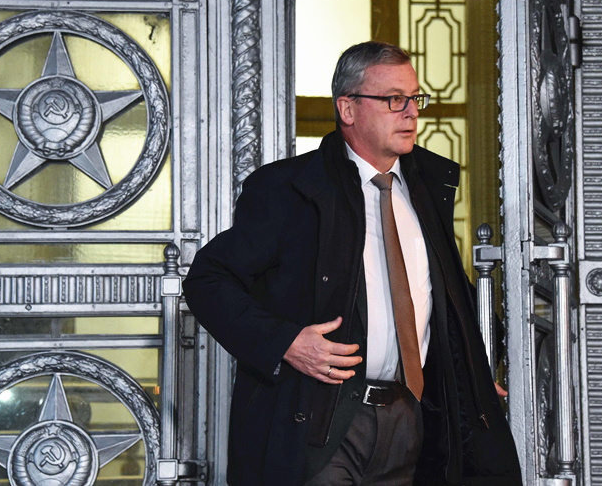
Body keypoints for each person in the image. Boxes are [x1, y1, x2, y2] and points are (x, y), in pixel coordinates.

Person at [182, 41, 522, 485]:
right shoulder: (289, 189)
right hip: (321, 425)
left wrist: (470, 378)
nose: (411, 113)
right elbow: (208, 280)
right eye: (394, 99)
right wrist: (285, 342)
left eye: (415, 98)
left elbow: (442, 296)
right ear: (347, 108)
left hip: (410, 420)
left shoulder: (425, 188)